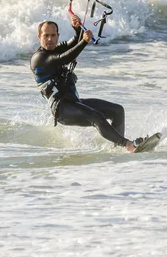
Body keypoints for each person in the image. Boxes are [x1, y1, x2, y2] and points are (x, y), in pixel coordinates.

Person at [30, 14, 141, 153]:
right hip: (62, 109)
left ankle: (118, 149)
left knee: (117, 111)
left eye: (53, 35)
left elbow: (73, 43)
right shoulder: (39, 58)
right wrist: (84, 42)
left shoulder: (55, 49)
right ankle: (128, 145)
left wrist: (77, 29)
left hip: (75, 102)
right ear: (39, 36)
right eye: (46, 35)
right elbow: (65, 57)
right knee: (96, 117)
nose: (50, 39)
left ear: (58, 35)